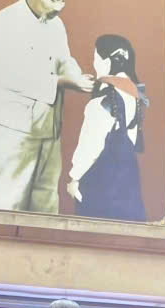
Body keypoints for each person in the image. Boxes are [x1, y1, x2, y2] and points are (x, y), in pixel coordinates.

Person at [0, 0, 94, 213]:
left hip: (49, 129)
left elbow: (64, 60)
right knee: (7, 202)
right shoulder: (3, 23)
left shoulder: (56, 24)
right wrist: (64, 81)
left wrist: (78, 77)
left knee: (46, 202)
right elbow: (12, 76)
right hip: (13, 131)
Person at [65, 34, 148, 222]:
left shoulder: (102, 101)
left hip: (102, 186)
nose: (94, 64)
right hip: (128, 185)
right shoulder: (134, 95)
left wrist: (74, 178)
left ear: (107, 61)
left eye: (96, 58)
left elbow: (91, 147)